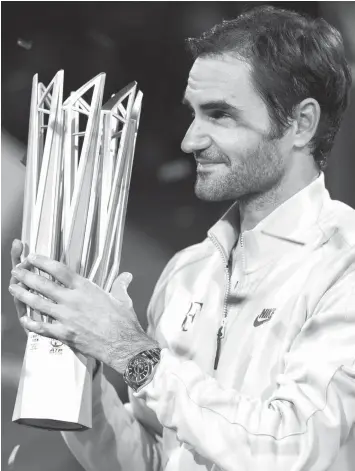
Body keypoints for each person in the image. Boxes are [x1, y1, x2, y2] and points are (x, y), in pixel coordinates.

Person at [9, 5, 355, 471]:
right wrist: (80, 354)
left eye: (220, 115)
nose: (191, 140)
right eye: (193, 114)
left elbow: (289, 451)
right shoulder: (187, 272)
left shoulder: (344, 264)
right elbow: (155, 459)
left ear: (301, 124)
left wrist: (129, 350)